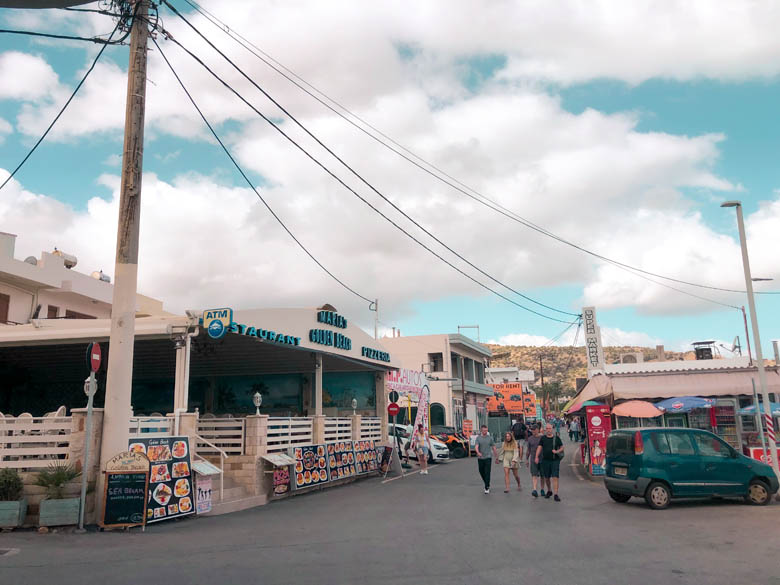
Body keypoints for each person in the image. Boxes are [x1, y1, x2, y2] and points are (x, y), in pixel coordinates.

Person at [535, 423, 564, 501]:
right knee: (547, 477)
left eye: (550, 428)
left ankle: (556, 494)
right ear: (545, 430)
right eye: (547, 428)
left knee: (555, 477)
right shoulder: (543, 438)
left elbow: (562, 447)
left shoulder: (556, 438)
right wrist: (536, 457)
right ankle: (549, 490)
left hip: (555, 460)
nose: (548, 430)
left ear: (552, 429)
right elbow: (539, 447)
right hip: (545, 461)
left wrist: (557, 451)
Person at [474, 425, 498, 494]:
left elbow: (493, 447)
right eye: (484, 430)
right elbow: (476, 446)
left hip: (488, 457)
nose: (485, 432)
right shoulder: (478, 438)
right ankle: (486, 482)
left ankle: (486, 487)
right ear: (481, 430)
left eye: (486, 430)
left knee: (487, 472)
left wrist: (496, 456)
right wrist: (478, 452)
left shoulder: (490, 438)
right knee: (481, 471)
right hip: (480, 457)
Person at [525, 425, 543, 497]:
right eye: (532, 430)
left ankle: (542, 489)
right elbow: (528, 450)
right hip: (533, 459)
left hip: (542, 458)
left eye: (534, 430)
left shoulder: (542, 438)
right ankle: (535, 489)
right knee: (534, 474)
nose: (533, 431)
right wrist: (526, 459)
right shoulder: (530, 439)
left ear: (538, 430)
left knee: (542, 475)